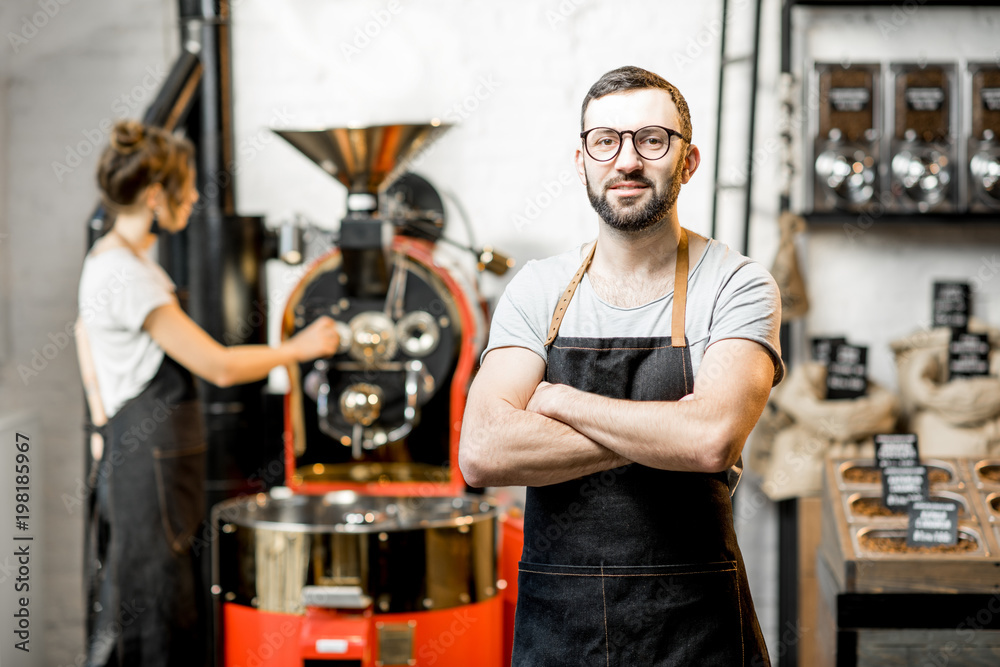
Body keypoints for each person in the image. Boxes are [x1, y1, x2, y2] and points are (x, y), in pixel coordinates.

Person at [459, 66, 783, 665]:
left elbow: (711, 441)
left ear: (688, 162)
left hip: (696, 632)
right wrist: (669, 432)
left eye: (652, 140)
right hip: (559, 632)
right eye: (605, 140)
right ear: (581, 160)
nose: (626, 161)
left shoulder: (736, 285)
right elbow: (481, 452)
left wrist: (560, 401)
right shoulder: (538, 289)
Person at [76, 120, 340, 667]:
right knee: (157, 607)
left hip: (139, 456)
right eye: (187, 187)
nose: (195, 197)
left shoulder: (110, 257)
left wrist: (102, 425)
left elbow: (83, 336)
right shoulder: (130, 276)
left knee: (141, 592)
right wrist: (299, 346)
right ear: (154, 195)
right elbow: (217, 366)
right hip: (148, 466)